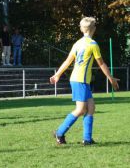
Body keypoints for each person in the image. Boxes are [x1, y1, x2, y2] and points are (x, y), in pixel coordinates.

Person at [50, 17, 119, 145]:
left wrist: (57, 74)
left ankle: (87, 139)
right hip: (79, 80)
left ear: (82, 29)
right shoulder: (93, 44)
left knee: (91, 108)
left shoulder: (77, 43)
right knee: (81, 109)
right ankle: (59, 133)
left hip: (79, 80)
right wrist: (111, 78)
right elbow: (101, 64)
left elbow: (67, 61)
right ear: (94, 29)